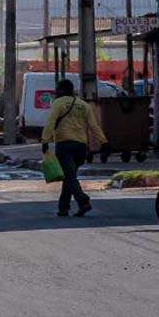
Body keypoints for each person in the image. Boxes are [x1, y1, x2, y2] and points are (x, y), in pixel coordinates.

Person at [41, 79, 111, 217]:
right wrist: (103, 141)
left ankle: (83, 200)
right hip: (81, 147)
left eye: (57, 89)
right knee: (70, 176)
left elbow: (50, 122)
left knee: (69, 176)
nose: (55, 92)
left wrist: (45, 140)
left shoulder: (58, 103)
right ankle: (63, 208)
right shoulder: (84, 105)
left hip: (65, 144)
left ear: (62, 90)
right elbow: (93, 126)